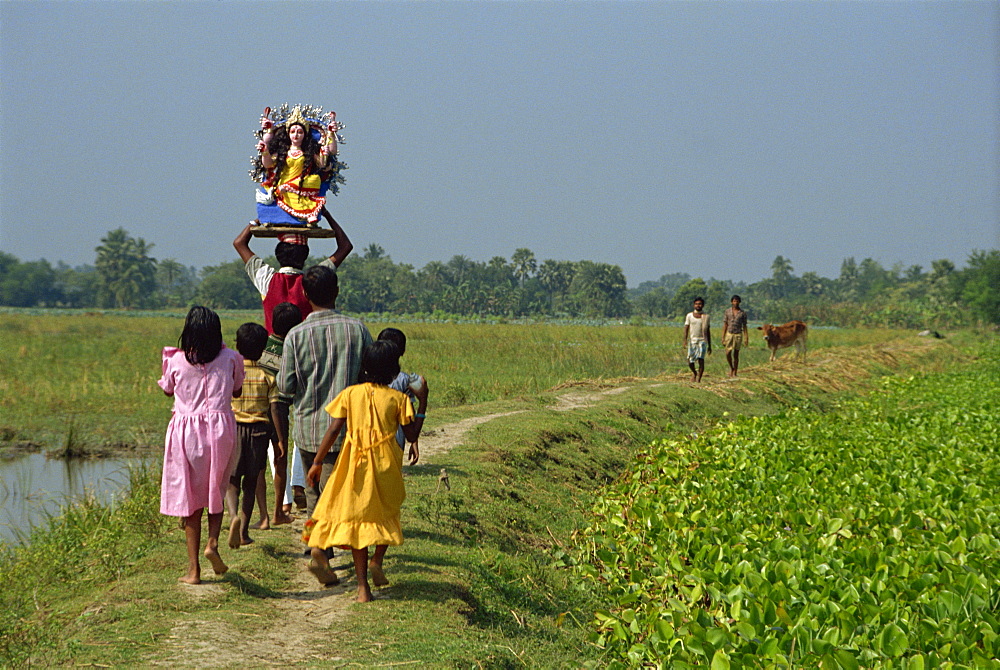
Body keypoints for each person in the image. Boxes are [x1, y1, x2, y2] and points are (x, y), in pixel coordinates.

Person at [305, 341, 428, 601]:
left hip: (353, 463)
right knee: (386, 511)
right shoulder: (399, 399)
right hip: (385, 465)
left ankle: (362, 588)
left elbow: (334, 429)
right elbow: (412, 434)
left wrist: (317, 462)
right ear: (394, 371)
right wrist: (424, 402)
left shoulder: (351, 394)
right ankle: (377, 561)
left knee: (358, 519)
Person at [275, 265, 373, 521]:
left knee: (314, 492)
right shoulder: (358, 330)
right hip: (348, 431)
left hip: (308, 431)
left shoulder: (295, 336)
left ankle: (317, 548)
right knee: (337, 493)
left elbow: (285, 387)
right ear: (337, 292)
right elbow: (372, 377)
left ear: (306, 295)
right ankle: (323, 547)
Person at [158, 306, 244, 584]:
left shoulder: (175, 360)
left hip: (186, 433)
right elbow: (237, 389)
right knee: (216, 489)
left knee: (191, 500)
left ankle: (193, 571)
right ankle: (213, 543)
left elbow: (167, 388)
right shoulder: (231, 358)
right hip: (221, 431)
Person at [233, 207, 353, 334]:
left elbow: (239, 242)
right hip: (304, 348)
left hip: (274, 350)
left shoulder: (266, 278)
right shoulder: (314, 279)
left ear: (278, 255)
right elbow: (345, 246)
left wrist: (263, 216)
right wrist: (326, 214)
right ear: (305, 255)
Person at [225, 322, 280, 548]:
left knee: (231, 479)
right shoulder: (268, 376)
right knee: (251, 481)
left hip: (234, 429)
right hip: (259, 431)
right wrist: (279, 440)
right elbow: (274, 409)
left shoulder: (231, 372)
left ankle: (232, 516)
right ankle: (244, 531)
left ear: (237, 346)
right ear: (263, 348)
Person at [257, 302, 305, 525]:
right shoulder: (296, 347)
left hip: (260, 410)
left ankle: (269, 511)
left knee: (264, 461)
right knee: (286, 453)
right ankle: (285, 503)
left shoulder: (262, 346)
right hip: (286, 406)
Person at [255, 106, 339, 226]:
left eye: (300, 132)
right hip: (284, 183)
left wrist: (325, 152)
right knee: (281, 188)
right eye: (293, 132)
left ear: (305, 135)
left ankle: (309, 214)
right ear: (288, 134)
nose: (296, 135)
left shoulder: (308, 153)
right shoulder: (283, 152)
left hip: (302, 184)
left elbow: (321, 164)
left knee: (315, 179)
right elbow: (268, 164)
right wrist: (265, 152)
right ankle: (304, 213)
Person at [377, 327, 423, 464]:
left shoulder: (365, 376)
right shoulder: (405, 380)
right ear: (402, 351)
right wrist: (413, 441)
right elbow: (409, 414)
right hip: (395, 439)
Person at [682, 297, 711, 382]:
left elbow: (708, 331)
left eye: (700, 304)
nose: (698, 305)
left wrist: (710, 345)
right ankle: (694, 373)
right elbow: (686, 328)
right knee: (690, 361)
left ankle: (699, 379)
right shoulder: (689, 316)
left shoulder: (706, 317)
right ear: (694, 305)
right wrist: (684, 340)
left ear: (703, 305)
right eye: (696, 304)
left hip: (702, 341)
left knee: (701, 360)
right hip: (692, 340)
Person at [722, 295, 749, 377]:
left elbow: (744, 326)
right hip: (729, 333)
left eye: (737, 301)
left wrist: (746, 337)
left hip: (738, 334)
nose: (735, 303)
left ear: (739, 302)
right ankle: (731, 367)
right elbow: (725, 324)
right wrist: (723, 337)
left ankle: (735, 372)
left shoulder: (742, 313)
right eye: (734, 301)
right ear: (731, 302)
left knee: (736, 353)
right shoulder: (727, 311)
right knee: (728, 352)